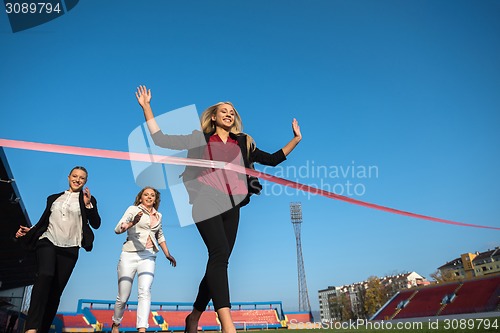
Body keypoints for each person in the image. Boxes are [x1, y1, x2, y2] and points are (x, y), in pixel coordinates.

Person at [135, 85, 302, 333]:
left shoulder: (242, 142)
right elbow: (161, 140)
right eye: (224, 111)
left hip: (232, 205)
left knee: (219, 259)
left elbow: (273, 159)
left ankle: (193, 317)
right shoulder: (200, 138)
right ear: (214, 117)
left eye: (232, 112)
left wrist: (296, 139)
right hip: (205, 201)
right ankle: (227, 322)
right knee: (220, 252)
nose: (229, 114)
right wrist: (147, 107)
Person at [15, 166, 101, 333]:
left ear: (85, 181)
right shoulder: (53, 198)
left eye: (81, 178)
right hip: (48, 241)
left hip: (71, 247)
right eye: (75, 176)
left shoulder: (87, 199)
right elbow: (45, 221)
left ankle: (43, 329)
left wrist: (89, 205)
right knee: (45, 275)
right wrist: (30, 231)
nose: (77, 179)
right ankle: (31, 327)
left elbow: (96, 224)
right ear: (69, 177)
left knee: (55, 292)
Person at [111, 187, 176, 333]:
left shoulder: (159, 215)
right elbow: (117, 229)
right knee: (123, 296)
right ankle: (115, 323)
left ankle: (142, 329)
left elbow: (159, 235)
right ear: (140, 198)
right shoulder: (133, 210)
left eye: (152, 195)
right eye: (146, 194)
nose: (149, 197)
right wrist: (130, 224)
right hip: (129, 254)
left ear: (155, 199)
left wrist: (167, 253)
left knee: (145, 290)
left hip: (148, 255)